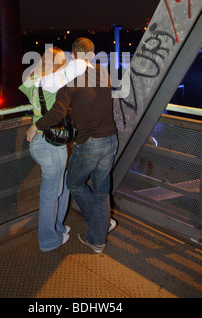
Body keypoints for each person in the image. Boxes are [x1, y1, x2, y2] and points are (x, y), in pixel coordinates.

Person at [26, 38, 118, 254]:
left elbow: (57, 112)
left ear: (74, 56)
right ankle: (98, 238)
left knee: (73, 183)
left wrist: (35, 126)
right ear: (93, 54)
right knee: (102, 192)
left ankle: (99, 226)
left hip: (90, 142)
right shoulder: (103, 73)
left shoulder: (73, 78)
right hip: (111, 139)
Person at [20, 46, 86, 252]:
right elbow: (82, 64)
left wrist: (50, 58)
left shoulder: (31, 80)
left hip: (40, 142)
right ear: (57, 64)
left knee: (61, 188)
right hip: (50, 144)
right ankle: (48, 241)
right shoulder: (53, 80)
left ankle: (57, 227)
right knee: (51, 195)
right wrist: (69, 56)